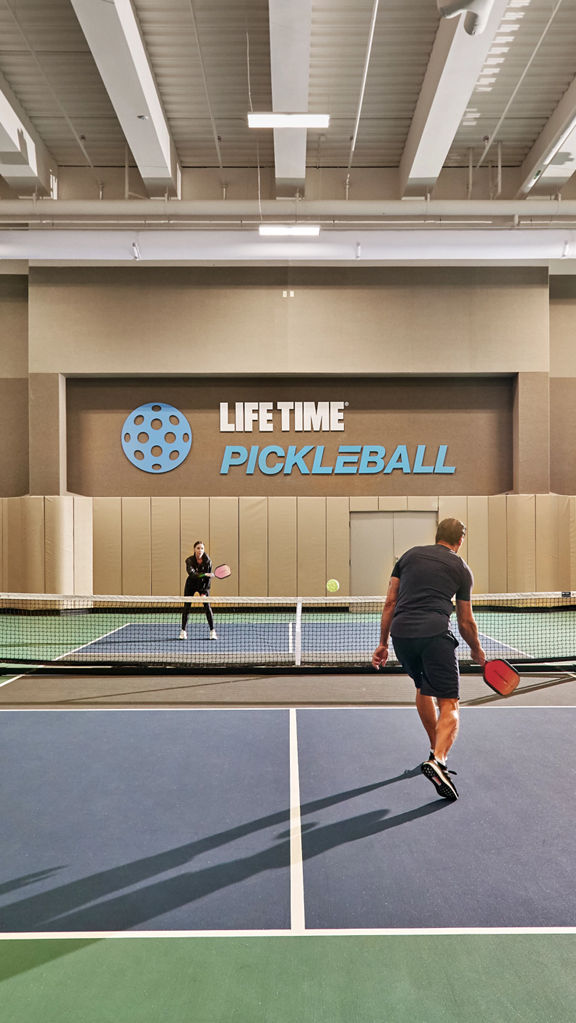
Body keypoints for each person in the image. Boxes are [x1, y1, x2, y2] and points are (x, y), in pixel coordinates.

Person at [371, 517, 485, 801]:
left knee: (422, 687)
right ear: (460, 541)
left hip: (402, 635)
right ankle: (439, 760)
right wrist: (476, 650)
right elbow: (465, 621)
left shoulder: (408, 557)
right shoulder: (461, 568)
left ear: (437, 536)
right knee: (450, 703)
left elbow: (390, 602)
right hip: (435, 634)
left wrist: (382, 644)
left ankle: (435, 751)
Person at [179, 540, 218, 640]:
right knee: (186, 607)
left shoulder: (208, 561)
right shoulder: (189, 560)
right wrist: (204, 574)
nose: (200, 550)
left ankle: (212, 631)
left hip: (203, 585)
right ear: (194, 549)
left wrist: (204, 592)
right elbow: (192, 574)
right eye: (198, 548)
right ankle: (183, 631)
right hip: (191, 584)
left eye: (202, 548)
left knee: (207, 607)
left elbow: (208, 579)